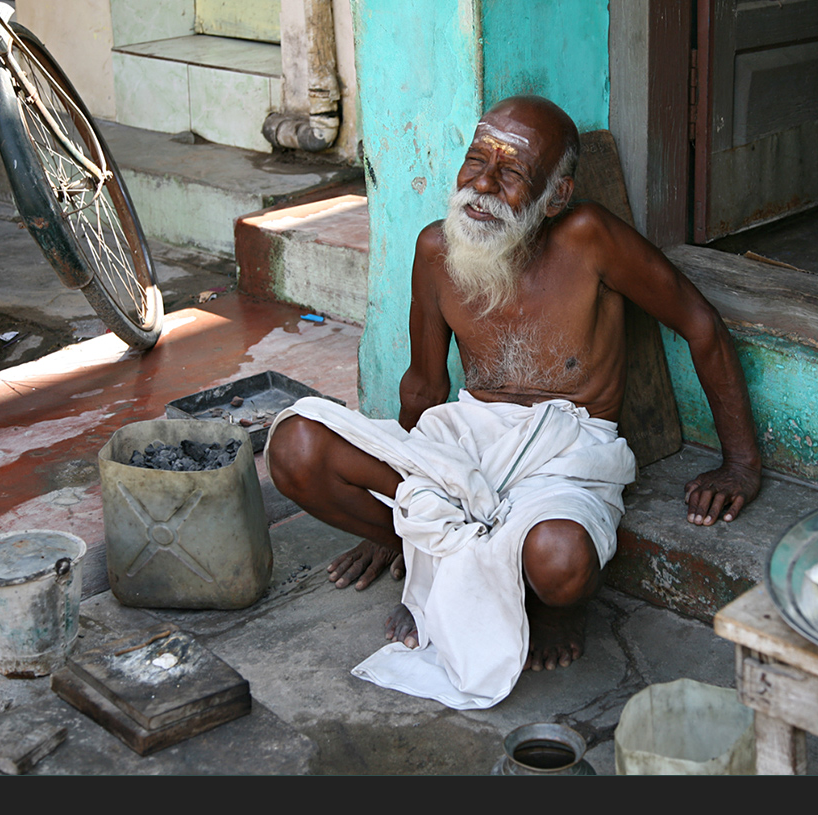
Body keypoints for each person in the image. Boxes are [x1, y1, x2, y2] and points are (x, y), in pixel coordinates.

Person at [266, 95, 761, 708]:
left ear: (555, 196)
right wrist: (406, 497)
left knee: (560, 558)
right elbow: (425, 386)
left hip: (565, 450)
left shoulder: (589, 239)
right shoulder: (437, 249)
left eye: (511, 173)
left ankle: (550, 611)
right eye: (477, 160)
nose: (482, 185)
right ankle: (413, 544)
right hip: (464, 437)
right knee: (295, 446)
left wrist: (740, 463)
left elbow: (701, 324)